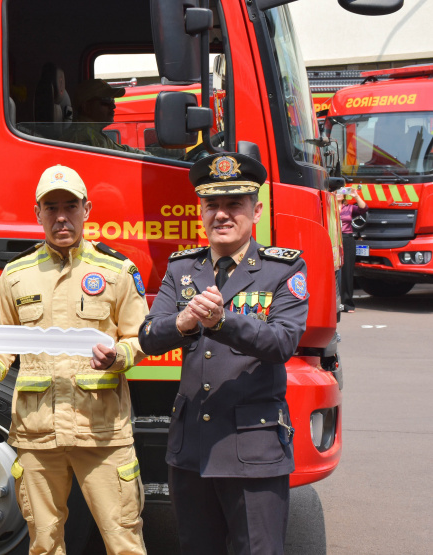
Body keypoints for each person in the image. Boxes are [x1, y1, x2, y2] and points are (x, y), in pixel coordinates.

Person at [138, 153, 308, 554]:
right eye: (212, 205)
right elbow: (148, 337)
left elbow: (283, 342)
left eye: (234, 204)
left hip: (253, 447)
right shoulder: (182, 269)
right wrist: (183, 322)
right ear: (201, 212)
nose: (222, 214)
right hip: (191, 447)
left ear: (256, 211)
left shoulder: (282, 269)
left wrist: (222, 321)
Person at [0, 165, 149, 554]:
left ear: (87, 210)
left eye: (70, 206)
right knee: (44, 543)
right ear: (38, 213)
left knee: (124, 540)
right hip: (37, 432)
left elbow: (139, 337)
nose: (61, 217)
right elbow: (0, 346)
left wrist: (119, 355)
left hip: (102, 430)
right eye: (51, 208)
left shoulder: (116, 271)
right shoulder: (14, 275)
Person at [61, 79, 148, 155]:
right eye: (106, 100)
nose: (113, 106)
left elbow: (125, 152)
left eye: (113, 100)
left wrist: (149, 157)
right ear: (86, 107)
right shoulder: (82, 138)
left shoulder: (96, 135)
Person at [337, 185, 368, 312]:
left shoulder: (349, 208)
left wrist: (356, 196)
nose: (338, 193)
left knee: (347, 271)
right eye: (336, 191)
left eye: (341, 191)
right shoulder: (328, 207)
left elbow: (364, 208)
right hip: (332, 238)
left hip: (347, 239)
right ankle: (333, 302)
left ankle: (347, 303)